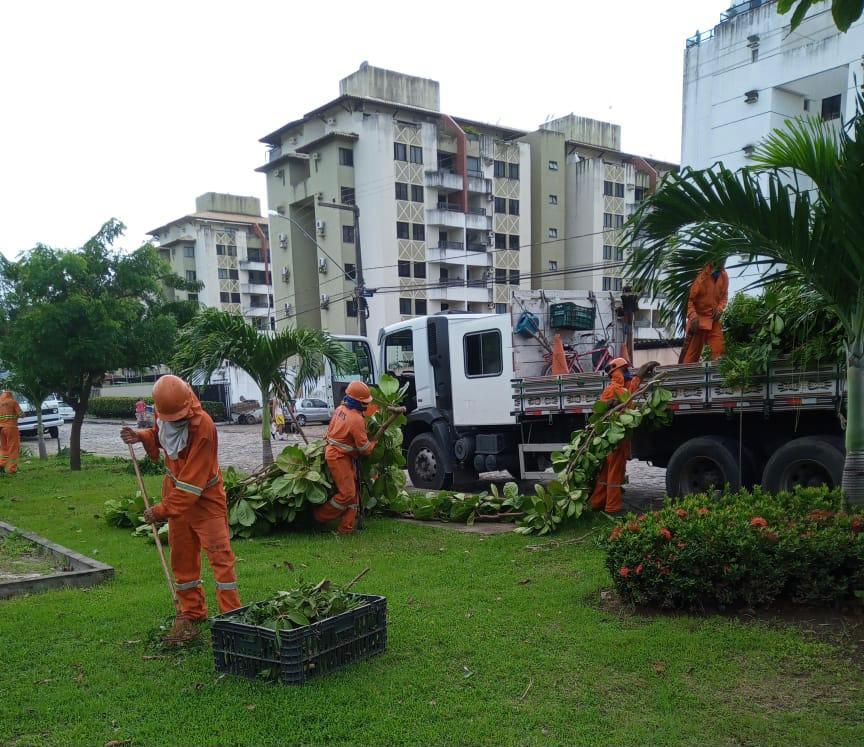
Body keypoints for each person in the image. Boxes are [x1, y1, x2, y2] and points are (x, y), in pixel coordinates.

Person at [120, 375, 240, 644]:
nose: (173, 421)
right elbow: (160, 436)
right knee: (182, 557)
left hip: (205, 498)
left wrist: (160, 511)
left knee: (220, 557)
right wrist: (140, 436)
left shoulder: (204, 427)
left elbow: (191, 485)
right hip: (177, 496)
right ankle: (192, 612)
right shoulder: (164, 414)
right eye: (168, 417)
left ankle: (232, 616)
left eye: (177, 417)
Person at [589, 358, 658, 515]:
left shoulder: (620, 389)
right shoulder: (612, 390)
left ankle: (596, 502)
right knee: (615, 472)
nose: (627, 373)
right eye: (624, 370)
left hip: (616, 438)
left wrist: (640, 374)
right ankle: (612, 508)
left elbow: (630, 392)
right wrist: (610, 406)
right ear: (616, 372)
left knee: (606, 472)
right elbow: (599, 411)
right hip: (615, 439)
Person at [313, 380, 378, 535]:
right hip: (338, 457)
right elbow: (364, 449)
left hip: (339, 455)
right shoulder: (356, 419)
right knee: (348, 494)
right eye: (364, 403)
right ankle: (318, 517)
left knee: (353, 493)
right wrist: (374, 442)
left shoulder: (340, 409)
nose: (366, 405)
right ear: (357, 402)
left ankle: (346, 528)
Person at [682, 262, 728, 363]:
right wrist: (693, 316)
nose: (724, 262)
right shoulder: (701, 275)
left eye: (725, 259)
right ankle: (687, 373)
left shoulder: (724, 276)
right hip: (698, 321)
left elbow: (724, 296)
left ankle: (717, 373)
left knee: (719, 351)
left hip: (713, 320)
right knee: (691, 357)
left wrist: (720, 309)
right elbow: (689, 300)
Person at [0, 391, 23, 475]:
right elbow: (21, 414)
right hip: (11, 428)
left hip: (1, 428)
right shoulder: (13, 402)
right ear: (10, 395)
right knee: (14, 448)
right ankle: (12, 470)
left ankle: (1, 466)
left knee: (4, 448)